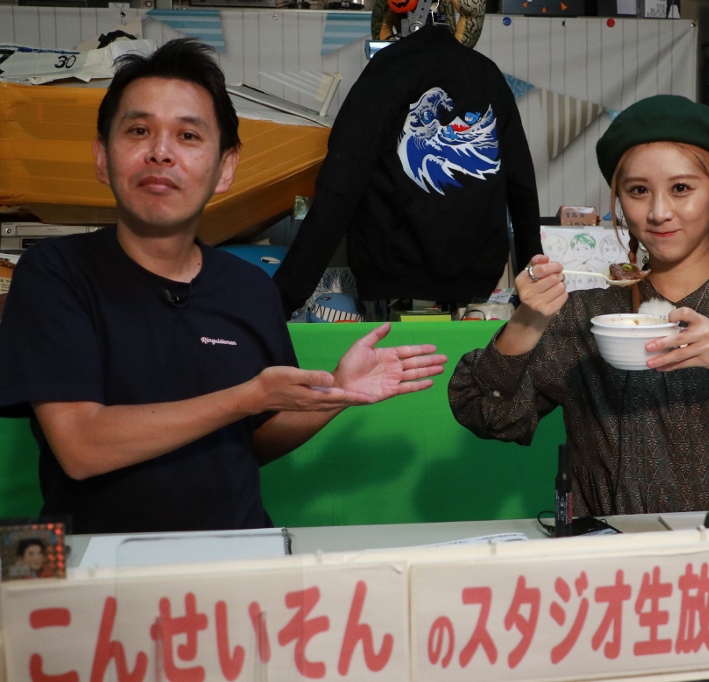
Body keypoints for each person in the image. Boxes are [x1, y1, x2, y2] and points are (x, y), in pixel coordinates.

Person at [0, 38, 447, 535]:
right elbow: (81, 448)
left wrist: (337, 393)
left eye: (188, 135)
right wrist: (245, 397)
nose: (160, 152)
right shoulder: (54, 273)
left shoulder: (250, 289)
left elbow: (245, 443)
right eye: (139, 130)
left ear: (225, 168)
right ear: (103, 157)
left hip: (238, 557)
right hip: (101, 567)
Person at [449, 95, 709, 516]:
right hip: (613, 550)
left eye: (681, 188)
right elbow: (486, 413)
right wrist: (527, 321)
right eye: (639, 191)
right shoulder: (581, 318)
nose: (660, 212)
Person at [272, 17, 542, 321]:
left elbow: (341, 181)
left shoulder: (388, 68)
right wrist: (533, 278)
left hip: (391, 271)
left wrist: (285, 295)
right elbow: (521, 183)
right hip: (476, 276)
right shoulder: (487, 74)